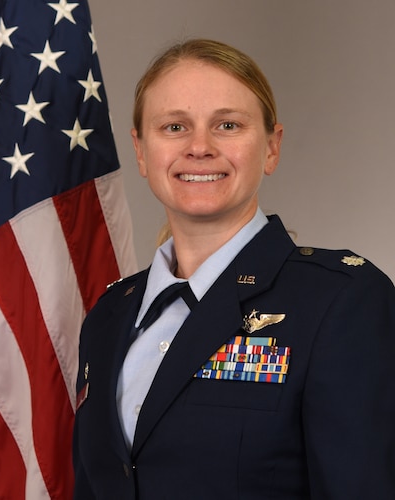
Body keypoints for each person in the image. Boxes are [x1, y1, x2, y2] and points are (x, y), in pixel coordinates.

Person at [73, 39, 395, 499]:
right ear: (141, 152)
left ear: (271, 147)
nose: (199, 147)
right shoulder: (108, 317)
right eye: (174, 126)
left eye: (227, 124)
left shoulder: (340, 301)